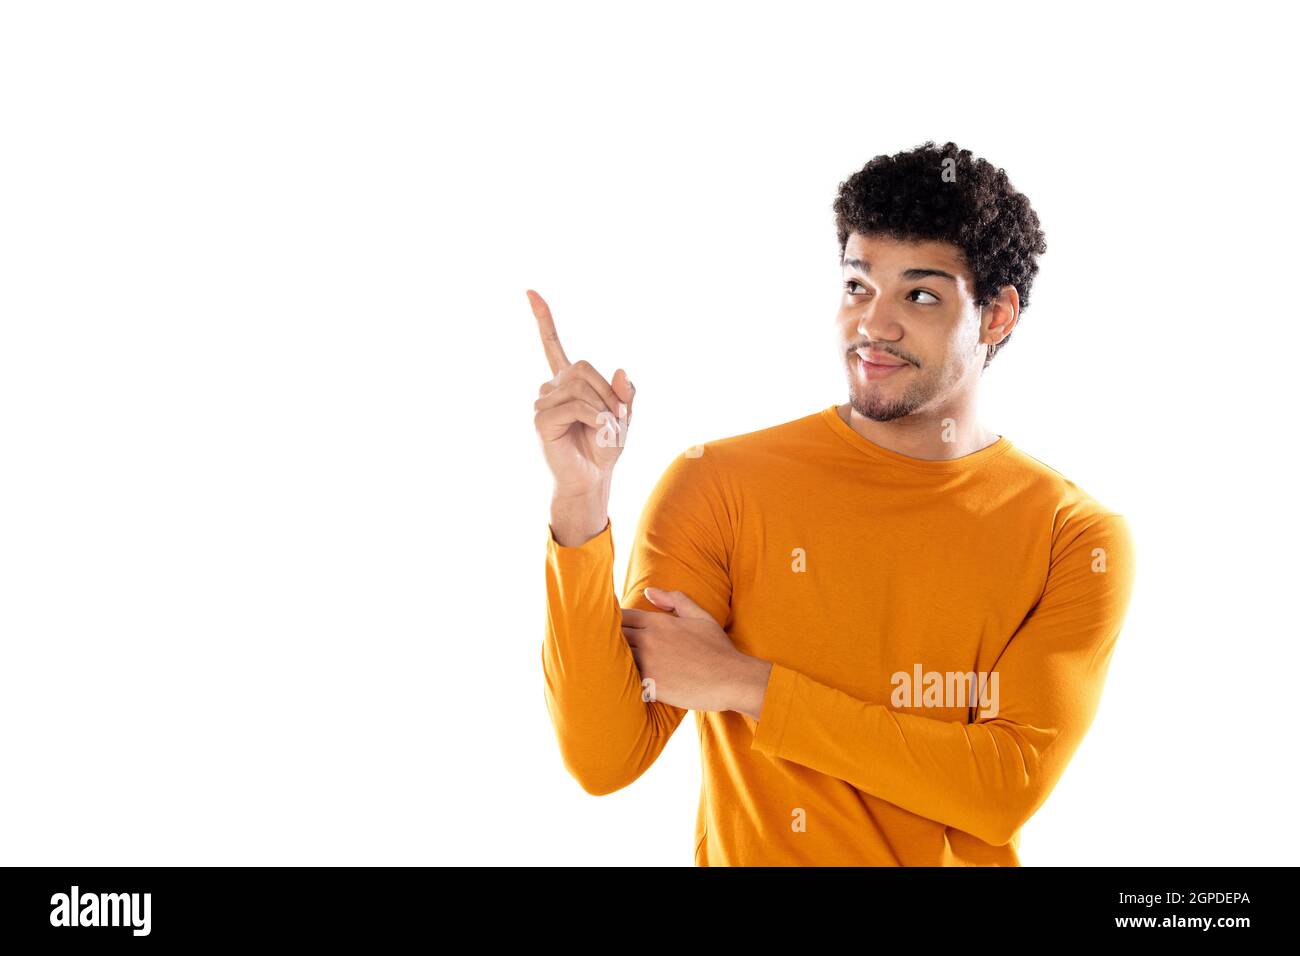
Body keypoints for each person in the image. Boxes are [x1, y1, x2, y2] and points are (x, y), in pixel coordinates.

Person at [531, 140, 1136, 866]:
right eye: (858, 287)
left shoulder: (1073, 536)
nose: (873, 326)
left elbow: (1002, 786)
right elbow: (605, 760)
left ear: (998, 315)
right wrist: (581, 501)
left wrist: (746, 684)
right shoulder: (718, 484)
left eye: (920, 295)